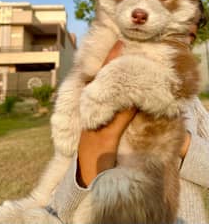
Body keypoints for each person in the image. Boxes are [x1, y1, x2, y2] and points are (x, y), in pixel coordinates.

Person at [45, 15, 209, 224]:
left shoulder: (190, 102)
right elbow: (61, 209)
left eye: (189, 37)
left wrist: (180, 141)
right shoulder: (94, 92)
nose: (180, 44)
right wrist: (101, 136)